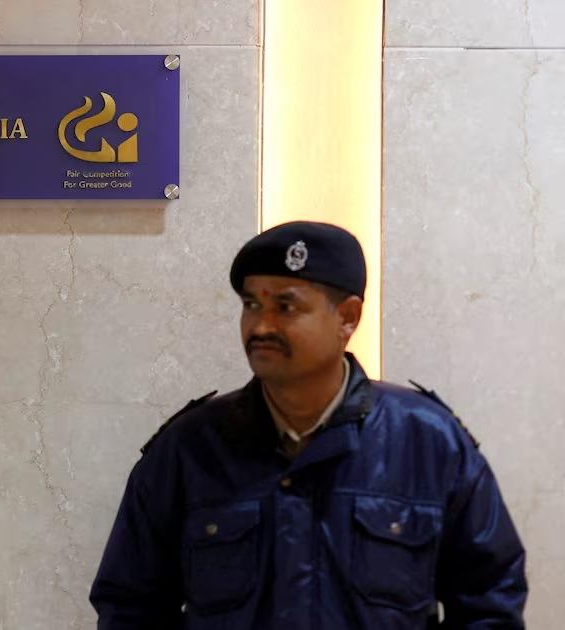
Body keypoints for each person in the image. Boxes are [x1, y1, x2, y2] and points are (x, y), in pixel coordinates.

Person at [89, 221, 527, 629]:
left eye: (286, 306)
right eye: (251, 304)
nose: (261, 326)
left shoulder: (428, 442)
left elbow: (490, 601)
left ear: (347, 317)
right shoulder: (190, 449)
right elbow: (130, 606)